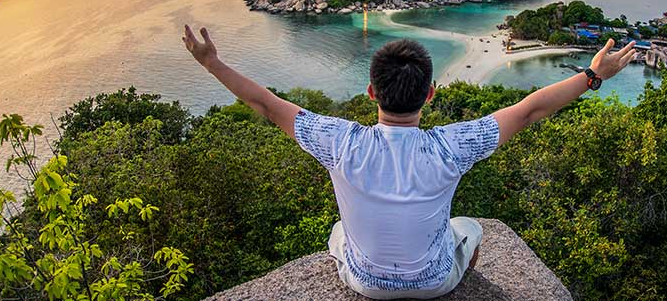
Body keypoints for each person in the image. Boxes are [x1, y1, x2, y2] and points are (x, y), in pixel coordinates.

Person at [182, 25, 635, 299]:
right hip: (436, 281)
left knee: (337, 233)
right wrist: (593, 75)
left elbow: (264, 103)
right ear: (431, 94)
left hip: (362, 283)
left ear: (372, 93)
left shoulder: (340, 143)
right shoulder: (451, 146)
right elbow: (530, 109)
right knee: (472, 227)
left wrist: (210, 64)